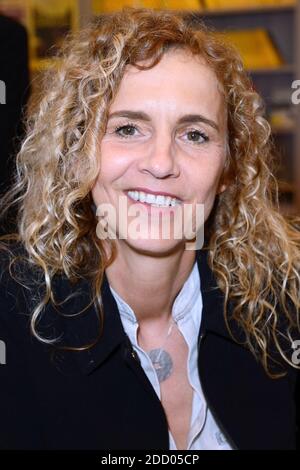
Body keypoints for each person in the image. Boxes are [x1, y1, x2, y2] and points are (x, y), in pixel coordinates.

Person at [0, 8, 299, 450]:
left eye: (194, 134)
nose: (160, 163)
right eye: (127, 128)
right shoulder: (13, 316)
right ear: (78, 150)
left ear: (229, 168)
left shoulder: (280, 307)